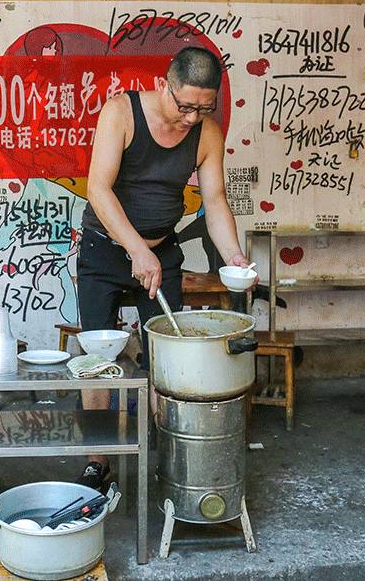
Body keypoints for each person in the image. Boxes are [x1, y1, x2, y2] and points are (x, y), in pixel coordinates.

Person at [75, 47, 254, 489]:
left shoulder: (206, 133)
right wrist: (136, 249)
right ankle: (97, 461)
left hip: (161, 253)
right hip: (105, 250)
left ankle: (167, 451)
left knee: (168, 356)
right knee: (97, 359)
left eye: (204, 107)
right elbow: (98, 188)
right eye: (185, 105)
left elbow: (214, 201)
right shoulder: (121, 112)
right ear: (164, 85)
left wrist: (233, 254)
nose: (192, 117)